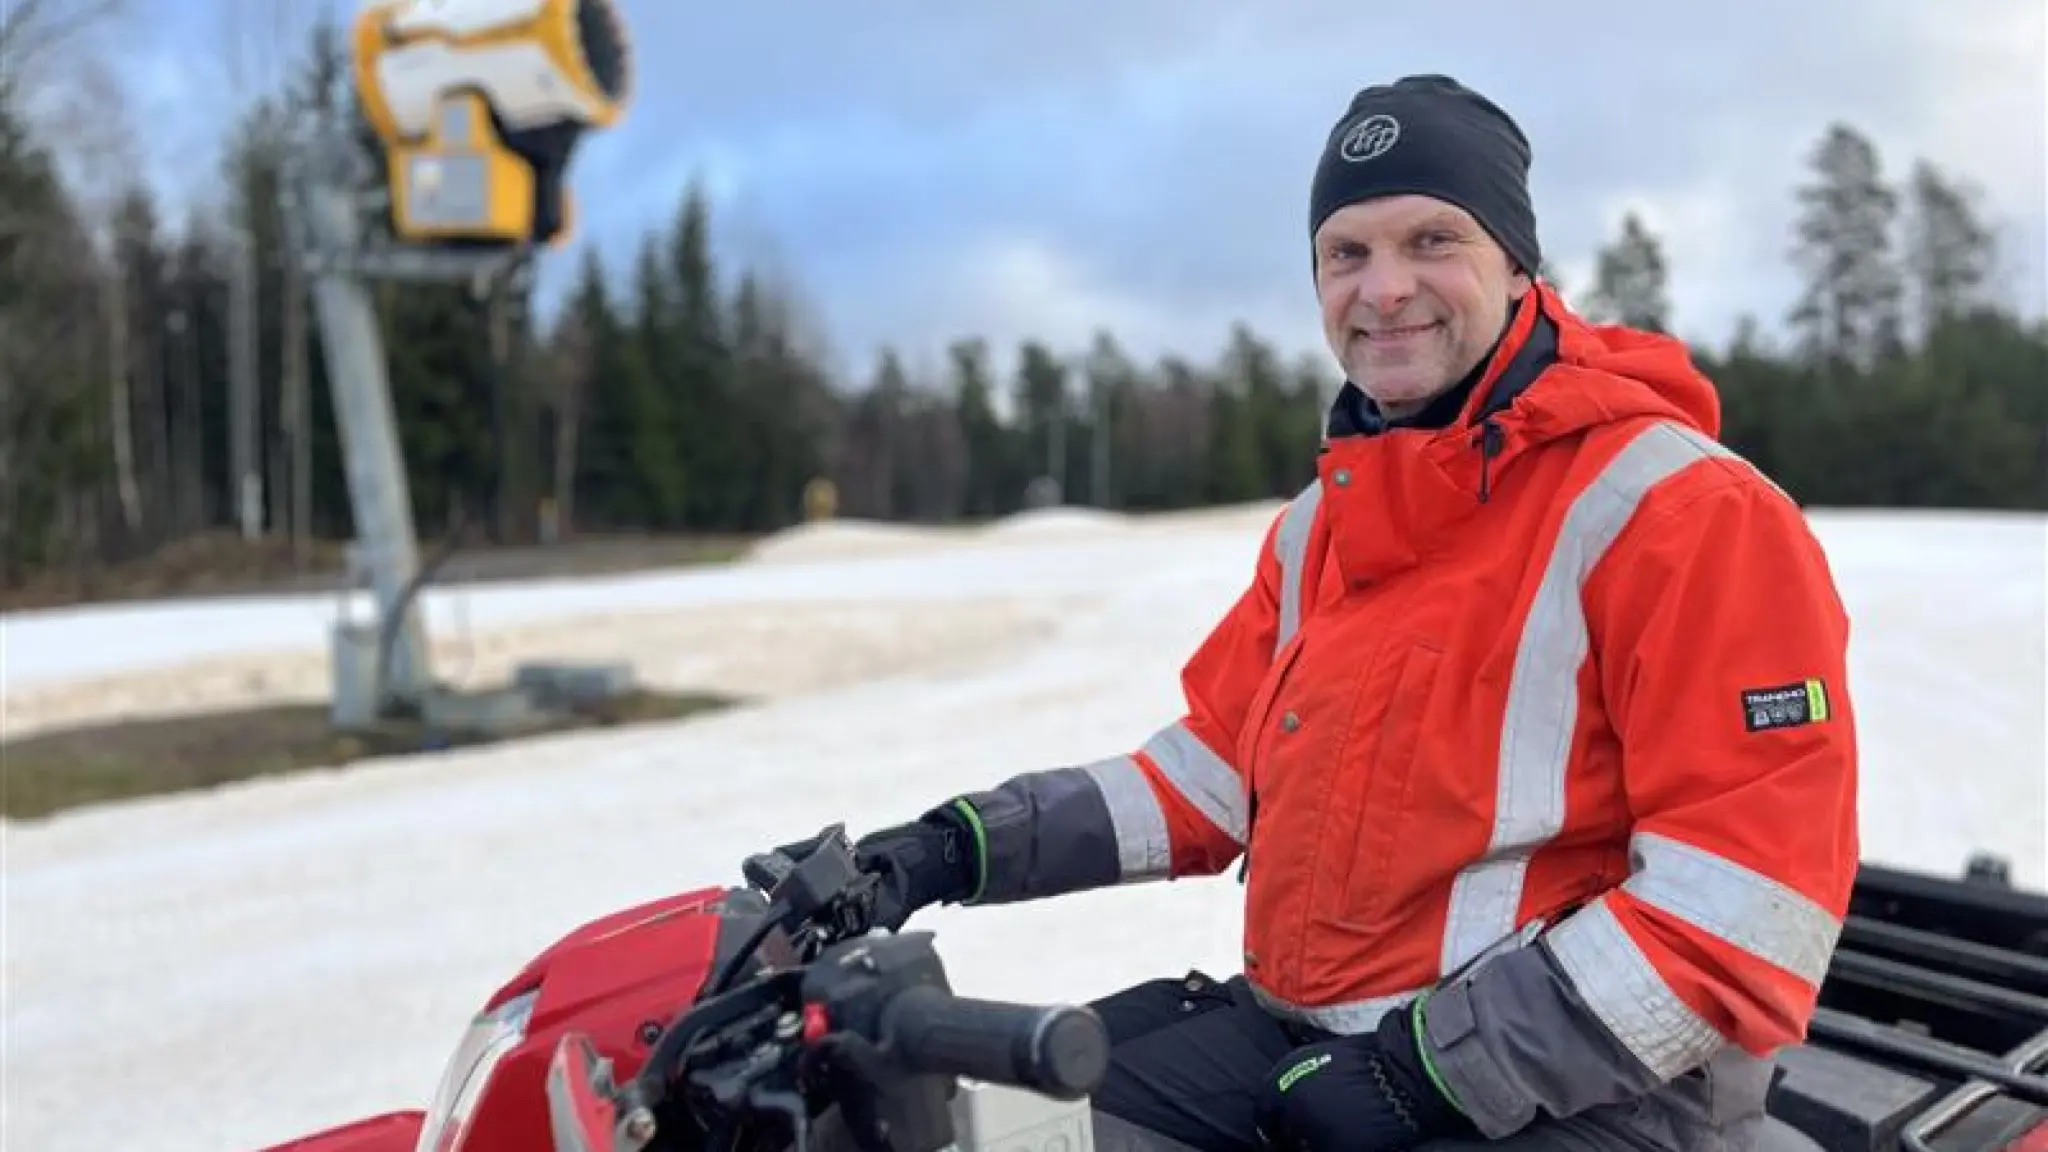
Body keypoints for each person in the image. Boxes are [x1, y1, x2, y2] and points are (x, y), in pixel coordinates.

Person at [838, 75, 1860, 1152]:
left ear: (1516, 266)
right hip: (1317, 1037)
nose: (1383, 290)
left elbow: (1741, 908)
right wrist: (957, 848)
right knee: (1016, 1129)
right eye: (1346, 253)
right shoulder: (1319, 531)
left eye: (1431, 240)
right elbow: (1209, 773)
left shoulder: (1682, 514)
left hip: (1591, 1095)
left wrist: (1425, 1071)